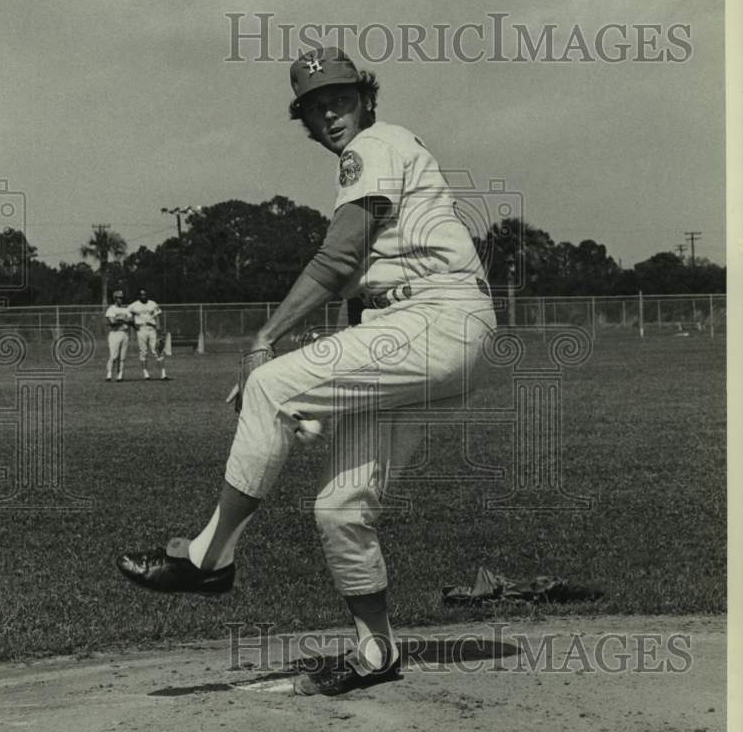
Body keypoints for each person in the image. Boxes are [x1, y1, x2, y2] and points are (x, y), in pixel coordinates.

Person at [117, 47, 496, 695]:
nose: (330, 114)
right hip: (423, 330)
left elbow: (335, 256)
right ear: (306, 121)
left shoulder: (373, 146)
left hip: (437, 321)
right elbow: (361, 282)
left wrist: (267, 340)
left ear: (364, 100)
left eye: (340, 99)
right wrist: (317, 390)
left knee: (267, 382)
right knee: (340, 507)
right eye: (316, 107)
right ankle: (376, 651)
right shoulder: (391, 151)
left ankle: (210, 557)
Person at [127, 288, 167, 380]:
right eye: (141, 294)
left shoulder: (152, 304)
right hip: (141, 329)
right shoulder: (134, 305)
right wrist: (133, 325)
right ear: (139, 296)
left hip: (152, 328)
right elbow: (128, 315)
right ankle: (146, 374)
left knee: (157, 350)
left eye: (145, 294)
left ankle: (163, 374)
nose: (143, 296)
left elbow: (157, 317)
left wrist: (159, 330)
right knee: (143, 351)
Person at [104, 290, 133, 381]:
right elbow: (112, 322)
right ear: (115, 298)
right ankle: (109, 374)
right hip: (115, 334)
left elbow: (131, 320)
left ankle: (119, 375)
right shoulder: (111, 309)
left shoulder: (126, 309)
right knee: (113, 356)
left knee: (122, 357)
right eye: (119, 298)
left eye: (122, 298)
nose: (121, 299)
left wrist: (119, 319)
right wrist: (123, 319)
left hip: (125, 333)